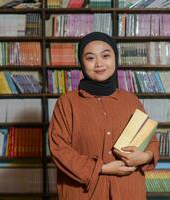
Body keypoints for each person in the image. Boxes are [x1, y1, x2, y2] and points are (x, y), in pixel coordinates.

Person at [49, 32, 159, 200]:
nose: (99, 64)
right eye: (91, 58)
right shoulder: (67, 102)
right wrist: (102, 168)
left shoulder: (131, 100)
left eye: (106, 56)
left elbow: (150, 140)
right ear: (82, 62)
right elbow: (59, 150)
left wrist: (145, 156)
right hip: (84, 194)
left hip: (128, 191)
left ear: (115, 58)